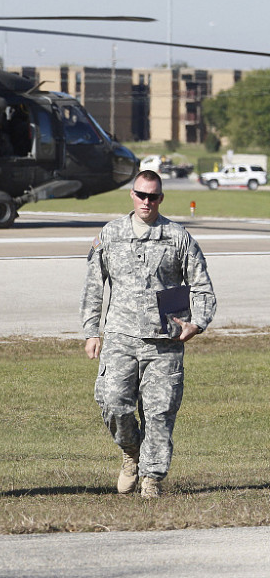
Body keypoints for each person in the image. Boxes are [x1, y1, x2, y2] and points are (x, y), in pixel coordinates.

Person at [81, 170, 216, 499]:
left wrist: (197, 323)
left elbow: (201, 286)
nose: (146, 201)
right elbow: (94, 286)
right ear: (132, 194)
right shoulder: (110, 234)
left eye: (153, 196)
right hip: (119, 339)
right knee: (113, 403)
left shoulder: (177, 236)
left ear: (161, 198)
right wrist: (91, 331)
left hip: (164, 343)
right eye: (141, 195)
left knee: (160, 411)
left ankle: (152, 478)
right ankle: (131, 454)